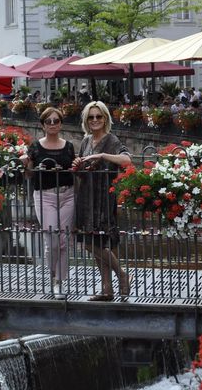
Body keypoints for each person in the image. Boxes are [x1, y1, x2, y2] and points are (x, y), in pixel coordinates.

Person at [72, 101, 131, 301]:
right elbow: (81, 172)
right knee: (92, 241)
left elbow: (127, 160)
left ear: (105, 118)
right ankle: (107, 289)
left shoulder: (111, 140)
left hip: (104, 197)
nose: (95, 120)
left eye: (99, 116)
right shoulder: (86, 141)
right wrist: (78, 165)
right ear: (86, 120)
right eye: (91, 117)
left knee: (96, 242)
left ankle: (121, 275)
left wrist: (103, 155)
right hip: (86, 197)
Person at [20, 107, 76, 300]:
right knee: (51, 240)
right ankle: (53, 277)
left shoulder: (68, 146)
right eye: (49, 121)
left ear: (61, 123)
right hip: (45, 196)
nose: (53, 124)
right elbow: (28, 175)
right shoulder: (35, 147)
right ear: (43, 125)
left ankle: (60, 282)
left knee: (63, 241)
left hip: (68, 195)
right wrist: (26, 163)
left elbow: (74, 169)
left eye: (56, 121)